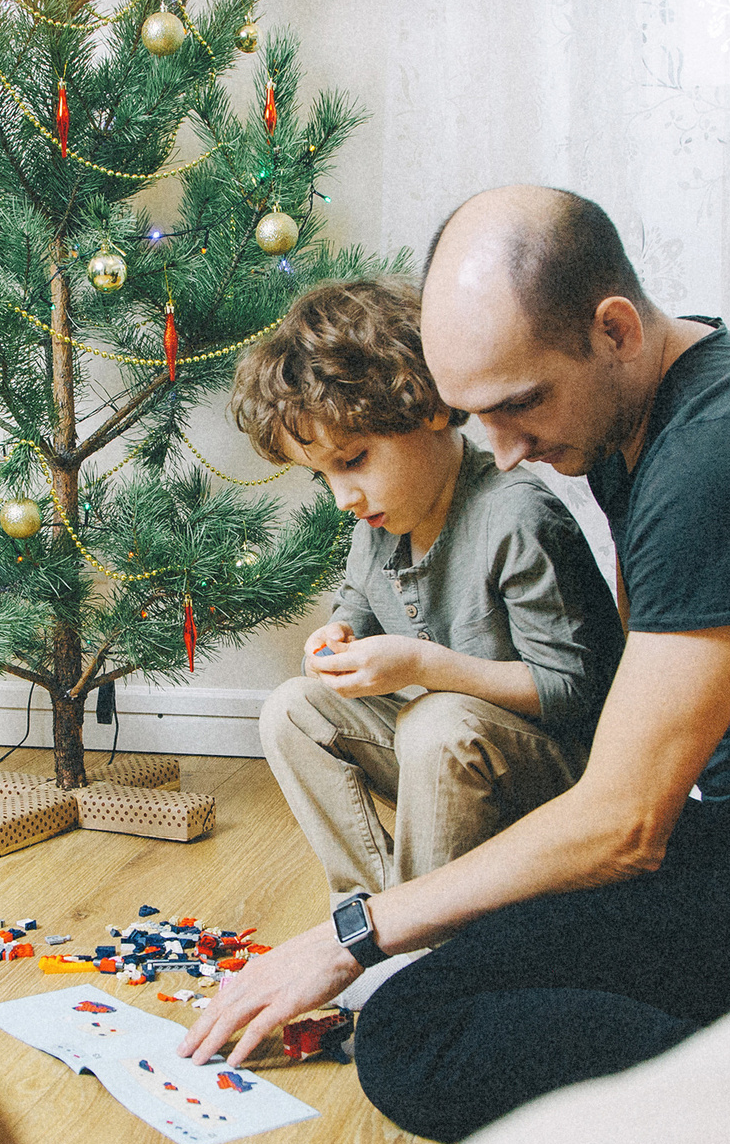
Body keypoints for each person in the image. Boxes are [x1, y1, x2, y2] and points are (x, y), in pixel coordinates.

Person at [182, 187, 730, 1142]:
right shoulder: (643, 415)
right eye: (474, 414)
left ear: (613, 329)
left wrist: (350, 935)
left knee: (416, 1029)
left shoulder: (721, 457)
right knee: (463, 966)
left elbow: (625, 824)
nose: (505, 448)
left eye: (520, 404)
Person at [230, 278, 624, 1007]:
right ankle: (371, 926)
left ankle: (429, 957)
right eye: (324, 477)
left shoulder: (514, 517)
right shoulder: (377, 521)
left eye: (353, 460)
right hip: (453, 765)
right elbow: (358, 601)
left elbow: (575, 692)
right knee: (293, 709)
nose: (343, 496)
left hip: (559, 779)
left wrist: (423, 666)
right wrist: (336, 634)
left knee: (434, 719)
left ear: (430, 408)